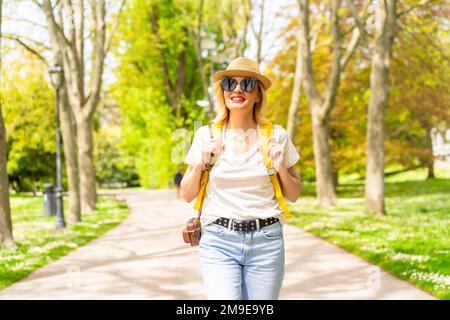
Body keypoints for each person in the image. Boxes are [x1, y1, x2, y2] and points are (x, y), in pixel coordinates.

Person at [181, 57, 302, 300]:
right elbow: (186, 194)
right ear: (222, 92)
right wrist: (199, 164)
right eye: (229, 83)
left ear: (258, 95)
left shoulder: (277, 136)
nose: (237, 89)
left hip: (266, 241)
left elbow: (294, 194)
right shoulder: (206, 135)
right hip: (218, 240)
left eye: (247, 84)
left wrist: (280, 166)